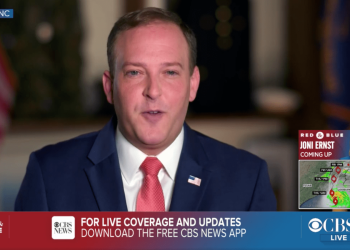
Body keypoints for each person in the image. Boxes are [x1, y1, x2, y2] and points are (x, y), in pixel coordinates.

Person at [15, 7, 276, 211]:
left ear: (192, 84)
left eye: (170, 72)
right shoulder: (48, 175)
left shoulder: (247, 180)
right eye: (135, 72)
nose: (153, 90)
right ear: (109, 87)